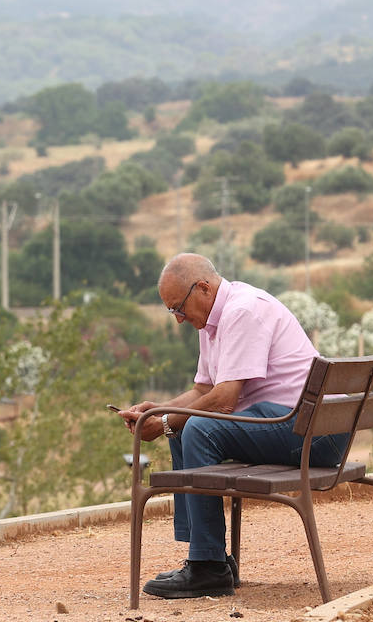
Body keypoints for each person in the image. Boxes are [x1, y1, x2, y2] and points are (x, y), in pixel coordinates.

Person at [119, 252, 350, 599]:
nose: (178, 319)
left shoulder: (242, 311)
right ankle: (207, 556)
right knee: (184, 426)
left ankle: (208, 565)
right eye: (171, 311)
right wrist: (161, 413)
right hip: (297, 423)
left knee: (197, 428)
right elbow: (204, 391)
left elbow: (224, 400)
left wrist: (165, 421)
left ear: (203, 288)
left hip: (313, 432)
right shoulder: (212, 319)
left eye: (178, 308)